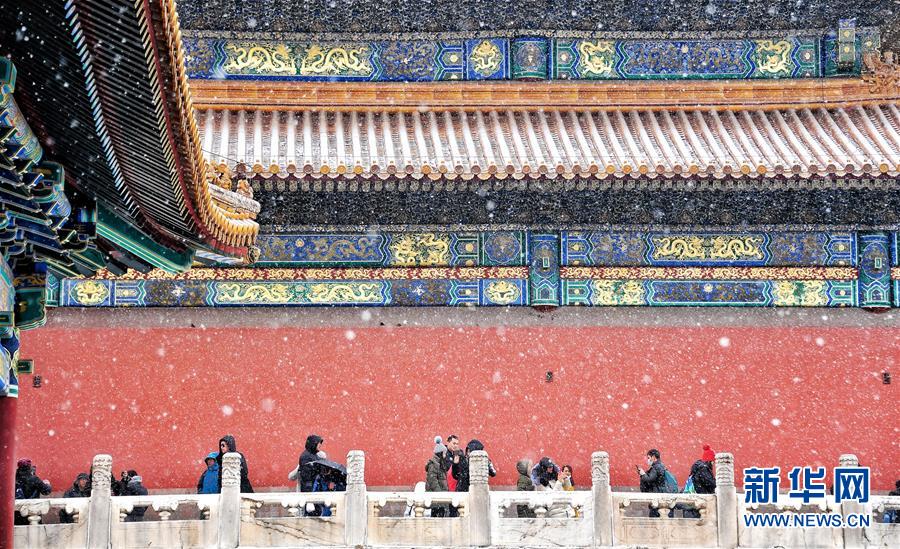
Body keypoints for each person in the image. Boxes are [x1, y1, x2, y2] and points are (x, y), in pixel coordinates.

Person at [14, 459, 51, 525]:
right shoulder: (34, 479)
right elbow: (46, 491)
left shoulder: (14, 478)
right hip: (33, 511)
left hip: (18, 513)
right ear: (29, 466)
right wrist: (47, 484)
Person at [637, 448, 667, 518]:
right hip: (660, 496)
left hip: (657, 497)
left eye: (648, 458)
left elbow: (649, 479)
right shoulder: (660, 466)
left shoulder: (656, 467)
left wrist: (643, 474)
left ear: (653, 457)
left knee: (655, 518)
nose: (648, 460)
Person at [425, 436, 450, 517]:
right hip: (436, 500)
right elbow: (432, 481)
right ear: (440, 453)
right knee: (436, 518)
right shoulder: (433, 464)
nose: (445, 455)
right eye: (444, 453)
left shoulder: (441, 464)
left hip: (441, 499)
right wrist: (440, 495)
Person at [445, 435, 463, 516]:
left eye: (457, 444)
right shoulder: (443, 453)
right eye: (454, 443)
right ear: (448, 442)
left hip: (457, 487)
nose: (456, 445)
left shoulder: (459, 454)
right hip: (446, 487)